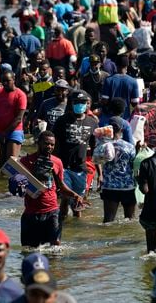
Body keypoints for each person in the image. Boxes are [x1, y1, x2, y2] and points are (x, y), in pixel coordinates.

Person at [13, 131, 83, 247]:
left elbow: (61, 185)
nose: (49, 147)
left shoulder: (57, 162)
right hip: (31, 213)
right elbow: (17, 190)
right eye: (46, 144)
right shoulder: (25, 162)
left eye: (52, 145)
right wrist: (33, 177)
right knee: (30, 251)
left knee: (55, 247)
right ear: (38, 143)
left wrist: (75, 195)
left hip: (52, 211)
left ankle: (54, 266)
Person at [53, 90, 97, 218]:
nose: (80, 105)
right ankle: (61, 225)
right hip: (64, 166)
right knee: (65, 198)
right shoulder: (62, 121)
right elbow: (54, 143)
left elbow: (95, 147)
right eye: (77, 102)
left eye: (83, 102)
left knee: (78, 203)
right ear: (72, 104)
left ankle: (78, 229)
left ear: (87, 104)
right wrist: (54, 165)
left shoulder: (92, 122)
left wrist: (97, 169)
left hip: (81, 168)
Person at [96, 116, 136, 223]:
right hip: (127, 187)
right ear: (122, 130)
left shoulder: (103, 145)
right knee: (130, 221)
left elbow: (97, 161)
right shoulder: (130, 147)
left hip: (109, 187)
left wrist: (100, 175)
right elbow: (133, 165)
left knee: (108, 221)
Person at [0, 71, 27, 167]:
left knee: (11, 164)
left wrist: (6, 133)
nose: (5, 83)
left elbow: (18, 118)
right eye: (3, 81)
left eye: (7, 81)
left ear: (14, 80)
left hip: (14, 131)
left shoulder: (20, 95)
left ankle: (14, 181)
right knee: (2, 165)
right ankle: (2, 182)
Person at [101, 54, 140, 120]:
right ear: (127, 66)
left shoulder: (108, 80)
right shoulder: (133, 81)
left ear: (116, 65)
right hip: (125, 118)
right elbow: (134, 103)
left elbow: (105, 101)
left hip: (110, 118)